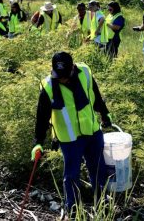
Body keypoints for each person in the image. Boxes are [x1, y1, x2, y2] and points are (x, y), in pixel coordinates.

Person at [31, 51, 112, 218]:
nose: (61, 79)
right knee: (71, 176)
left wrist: (105, 114)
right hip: (69, 140)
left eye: (65, 75)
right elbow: (42, 116)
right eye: (58, 75)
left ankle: (103, 206)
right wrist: (38, 141)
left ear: (73, 69)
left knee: (98, 171)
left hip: (92, 132)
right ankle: (73, 211)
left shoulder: (85, 73)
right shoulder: (48, 86)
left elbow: (96, 96)